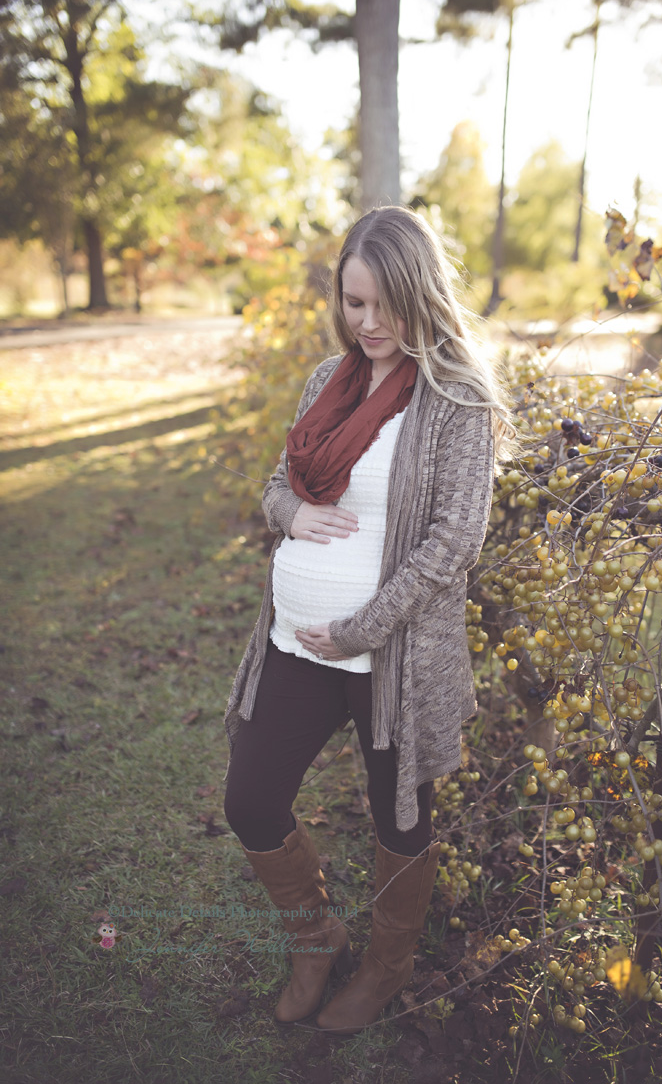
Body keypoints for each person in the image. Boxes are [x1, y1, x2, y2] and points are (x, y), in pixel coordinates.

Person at [222, 205, 513, 1036]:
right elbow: (277, 485)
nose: (369, 322)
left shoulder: (455, 398)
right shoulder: (330, 378)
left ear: (421, 295)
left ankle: (387, 966)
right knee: (251, 798)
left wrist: (361, 627)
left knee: (400, 819)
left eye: (386, 304)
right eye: (354, 303)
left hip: (393, 657)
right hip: (295, 644)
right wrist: (291, 512)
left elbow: (455, 540)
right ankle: (316, 938)